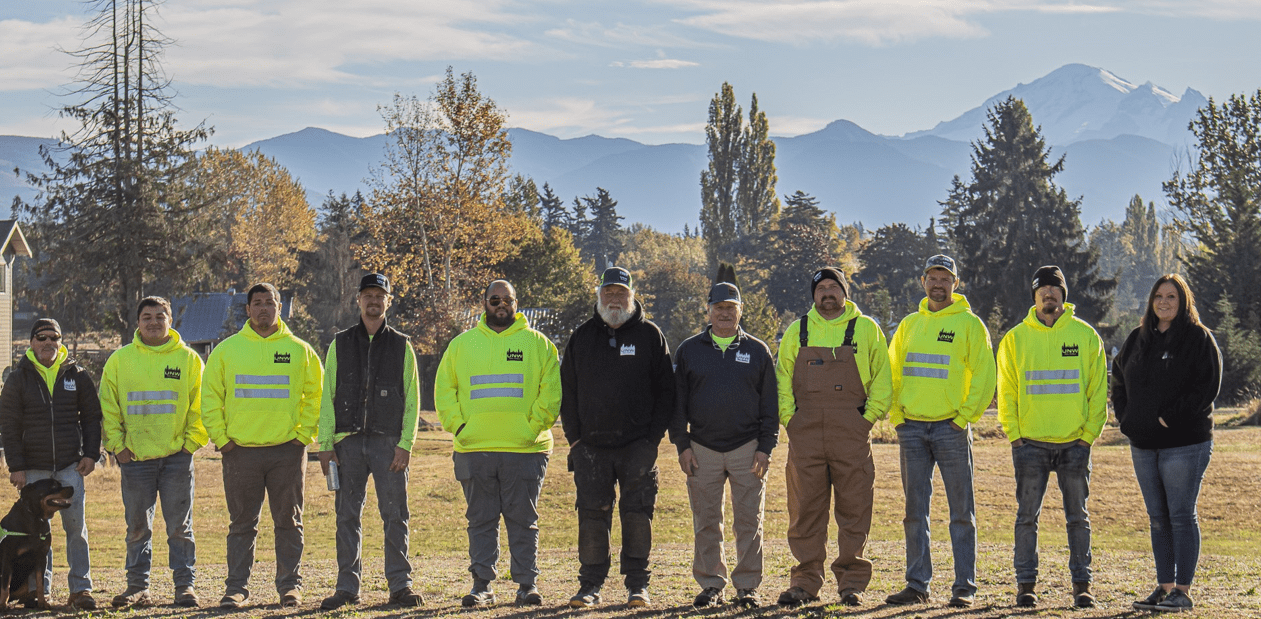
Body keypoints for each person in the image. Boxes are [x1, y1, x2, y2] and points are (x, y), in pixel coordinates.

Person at [436, 279, 561, 608]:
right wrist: (460, 427)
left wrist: (532, 427)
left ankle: (526, 585)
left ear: (517, 303)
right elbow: (444, 392)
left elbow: (551, 394)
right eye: (494, 299)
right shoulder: (461, 345)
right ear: (484, 303)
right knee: (480, 520)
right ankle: (482, 586)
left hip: (526, 449)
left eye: (507, 299)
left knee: (523, 520)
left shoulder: (539, 344)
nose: (501, 305)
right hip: (474, 448)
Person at [774, 267, 892, 607]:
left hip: (851, 433)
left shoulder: (867, 329)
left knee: (854, 509)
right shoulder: (798, 331)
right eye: (821, 288)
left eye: (834, 287)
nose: (828, 293)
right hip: (805, 433)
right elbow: (783, 380)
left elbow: (882, 380)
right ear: (813, 295)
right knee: (805, 510)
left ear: (845, 291)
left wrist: (866, 420)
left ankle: (851, 583)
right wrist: (790, 420)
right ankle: (805, 582)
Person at [202, 283, 323, 609]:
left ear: (280, 308)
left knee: (288, 521)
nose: (264, 309)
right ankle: (236, 589)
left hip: (287, 451)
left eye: (270, 303)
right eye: (257, 303)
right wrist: (223, 440)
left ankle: (289, 587)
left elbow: (316, 397)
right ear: (247, 310)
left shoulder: (300, 350)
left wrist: (303, 437)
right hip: (240, 453)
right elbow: (210, 398)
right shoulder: (227, 350)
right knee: (242, 524)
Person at [560, 266, 674, 608]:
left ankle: (638, 585)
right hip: (591, 448)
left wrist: (652, 440)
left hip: (638, 446)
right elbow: (567, 392)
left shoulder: (651, 336)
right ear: (599, 296)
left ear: (632, 295)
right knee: (592, 516)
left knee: (638, 515)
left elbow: (667, 393)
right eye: (608, 292)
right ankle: (589, 586)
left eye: (620, 293)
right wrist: (575, 440)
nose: (614, 299)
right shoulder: (581, 336)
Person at [886, 255, 995, 608]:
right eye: (932, 277)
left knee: (961, 512)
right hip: (912, 430)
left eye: (944, 278)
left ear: (955, 284)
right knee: (914, 511)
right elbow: (892, 373)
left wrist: (964, 418)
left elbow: (984, 375)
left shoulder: (969, 324)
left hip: (951, 428)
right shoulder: (908, 325)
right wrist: (897, 416)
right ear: (923, 282)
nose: (938, 284)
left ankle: (964, 587)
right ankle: (917, 585)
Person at [996, 265, 1107, 609]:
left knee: (1078, 518)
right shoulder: (1015, 338)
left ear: (1064, 295)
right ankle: (1026, 586)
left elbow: (1098, 393)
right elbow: (1007, 393)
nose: (1049, 294)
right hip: (1030, 445)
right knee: (1026, 518)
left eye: (1055, 289)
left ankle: (1082, 586)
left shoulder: (1086, 336)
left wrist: (1087, 438)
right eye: (1042, 289)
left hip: (1075, 445)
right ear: (1034, 296)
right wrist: (1015, 436)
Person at [1111, 274, 1221, 612]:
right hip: (1143, 444)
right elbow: (1118, 378)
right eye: (1159, 296)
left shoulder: (1198, 339)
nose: (1164, 302)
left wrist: (1169, 417)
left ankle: (1183, 591)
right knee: (1157, 517)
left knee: (1181, 515)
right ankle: (1165, 585)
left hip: (1184, 444)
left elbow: (1207, 388)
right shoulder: (1138, 338)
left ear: (1183, 301)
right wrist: (1126, 418)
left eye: (1171, 296)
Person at [316, 274, 423, 610]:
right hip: (347, 445)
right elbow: (327, 397)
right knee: (347, 516)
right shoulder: (340, 344)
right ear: (358, 300)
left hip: (388, 444)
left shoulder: (402, 345)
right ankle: (347, 587)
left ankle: (400, 587)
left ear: (389, 301)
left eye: (380, 295)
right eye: (368, 295)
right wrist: (326, 444)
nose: (373, 301)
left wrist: (405, 444)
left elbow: (412, 400)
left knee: (395, 515)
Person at [670, 282, 778, 608]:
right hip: (702, 447)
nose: (725, 313)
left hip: (748, 447)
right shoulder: (689, 350)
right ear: (708, 310)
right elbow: (677, 406)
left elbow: (770, 406)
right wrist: (682, 446)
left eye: (731, 307)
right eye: (719, 307)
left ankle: (747, 587)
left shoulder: (758, 351)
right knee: (706, 520)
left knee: (749, 521)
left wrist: (766, 447)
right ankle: (711, 585)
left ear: (740, 310)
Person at [100, 297, 208, 608]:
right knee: (137, 527)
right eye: (147, 317)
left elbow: (200, 407)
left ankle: (184, 587)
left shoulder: (188, 360)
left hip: (176, 458)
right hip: (135, 460)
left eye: (160, 316)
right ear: (137, 322)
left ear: (170, 320)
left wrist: (190, 444)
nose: (153, 322)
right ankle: (137, 587)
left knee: (179, 527)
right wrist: (117, 446)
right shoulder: (120, 361)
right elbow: (109, 407)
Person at [0, 318, 102, 610]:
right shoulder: (18, 378)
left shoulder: (77, 374)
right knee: (35, 533)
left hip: (70, 466)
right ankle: (36, 591)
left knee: (75, 528)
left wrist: (91, 454)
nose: (47, 343)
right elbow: (8, 423)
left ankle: (80, 589)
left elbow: (92, 417)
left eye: (53, 337)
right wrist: (15, 466)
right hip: (33, 469)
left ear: (61, 342)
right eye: (41, 337)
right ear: (31, 342)